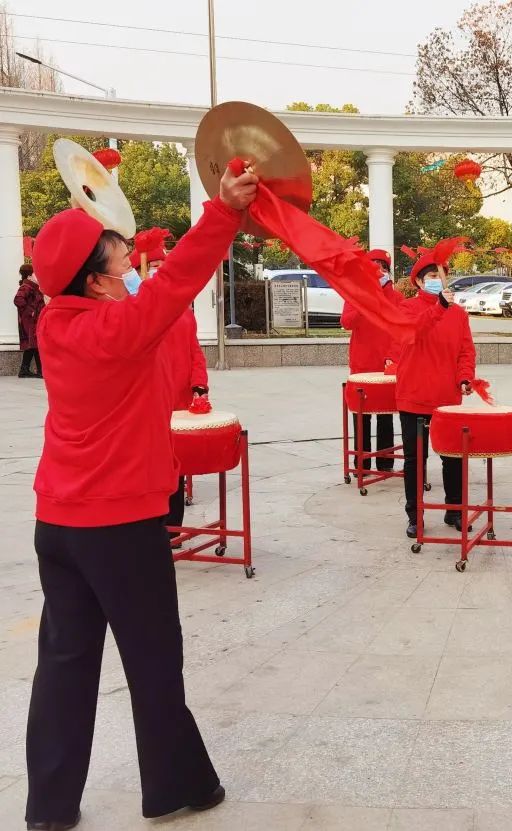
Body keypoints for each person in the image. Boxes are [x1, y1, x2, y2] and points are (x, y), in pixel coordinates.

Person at [25, 162, 257, 828]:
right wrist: (223, 211)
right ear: (96, 280)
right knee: (154, 659)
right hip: (120, 526)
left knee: (64, 664)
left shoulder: (54, 324)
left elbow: (156, 289)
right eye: (119, 255)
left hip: (58, 523)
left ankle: (49, 806)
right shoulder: (116, 330)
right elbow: (179, 280)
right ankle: (176, 786)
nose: (131, 260)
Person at [127, 233, 210, 548]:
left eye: (163, 265)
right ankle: (147, 528)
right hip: (148, 399)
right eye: (153, 266)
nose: (159, 270)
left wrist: (199, 385)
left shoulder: (183, 311)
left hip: (179, 400)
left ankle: (172, 531)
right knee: (147, 467)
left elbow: (194, 351)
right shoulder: (132, 309)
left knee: (174, 467)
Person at [396, 249, 477, 539]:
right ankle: (415, 515)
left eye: (440, 275)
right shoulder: (406, 308)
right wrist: (439, 307)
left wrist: (465, 377)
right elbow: (414, 332)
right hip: (414, 395)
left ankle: (454, 510)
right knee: (415, 460)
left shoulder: (459, 314)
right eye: (431, 276)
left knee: (453, 458)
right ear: (419, 282)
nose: (437, 280)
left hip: (447, 397)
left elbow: (465, 350)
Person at [341, 248, 399, 475]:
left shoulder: (396, 297)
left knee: (386, 416)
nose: (379, 272)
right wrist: (365, 302)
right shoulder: (355, 294)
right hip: (361, 366)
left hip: (387, 367)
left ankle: (385, 462)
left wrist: (393, 357)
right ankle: (362, 464)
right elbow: (346, 322)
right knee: (361, 417)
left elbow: (400, 331)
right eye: (373, 267)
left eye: (383, 268)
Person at [14, 263, 44, 379]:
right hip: (30, 322)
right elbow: (18, 299)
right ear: (30, 275)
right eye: (35, 273)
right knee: (35, 345)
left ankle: (24, 370)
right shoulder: (26, 287)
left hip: (33, 322)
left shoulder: (32, 287)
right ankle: (40, 371)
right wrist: (30, 312)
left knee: (32, 345)